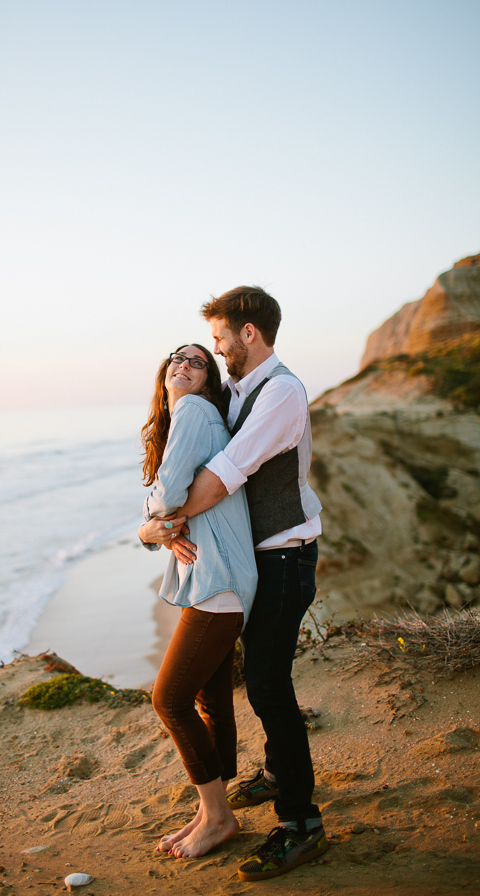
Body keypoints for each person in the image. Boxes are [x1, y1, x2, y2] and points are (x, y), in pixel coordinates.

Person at [169, 287, 329, 881]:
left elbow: (221, 479)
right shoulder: (236, 389)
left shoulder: (281, 392)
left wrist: (163, 524)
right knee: (257, 678)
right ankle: (278, 775)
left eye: (219, 339)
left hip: (285, 559)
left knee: (266, 683)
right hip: (256, 563)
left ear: (249, 334)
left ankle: (301, 825)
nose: (216, 349)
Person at [138, 344, 258, 859]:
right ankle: (215, 809)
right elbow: (168, 514)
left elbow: (166, 499)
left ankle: (219, 817)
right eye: (175, 358)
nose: (182, 364)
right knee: (210, 699)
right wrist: (154, 531)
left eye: (197, 360)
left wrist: (150, 524)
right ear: (163, 374)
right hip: (218, 579)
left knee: (168, 699)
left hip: (217, 580)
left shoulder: (192, 410)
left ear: (207, 381)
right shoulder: (196, 417)